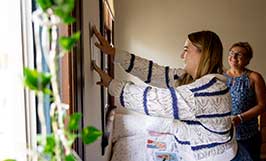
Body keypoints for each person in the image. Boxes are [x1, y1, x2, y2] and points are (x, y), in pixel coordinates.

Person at [91, 26, 252, 161]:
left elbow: (158, 101)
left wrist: (113, 85)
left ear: (203, 54)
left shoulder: (208, 91)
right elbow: (157, 73)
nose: (182, 56)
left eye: (186, 50)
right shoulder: (192, 79)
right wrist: (115, 54)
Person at [225, 42, 266, 161]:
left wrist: (240, 118)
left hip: (248, 136)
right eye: (231, 53)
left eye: (239, 54)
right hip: (225, 137)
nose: (233, 57)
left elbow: (262, 105)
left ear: (247, 60)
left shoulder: (254, 77)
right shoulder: (220, 77)